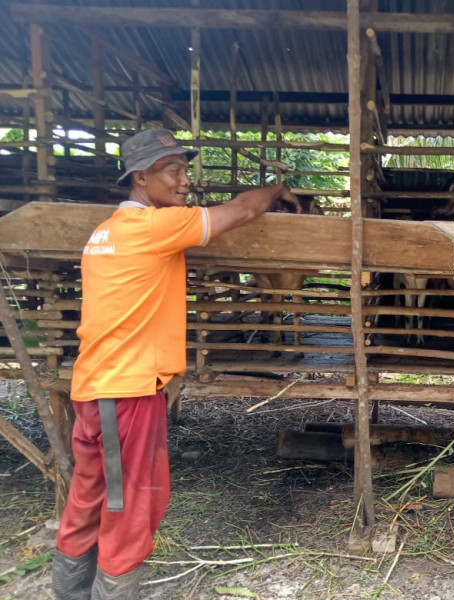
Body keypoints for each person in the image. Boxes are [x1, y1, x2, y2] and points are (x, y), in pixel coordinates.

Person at [52, 128, 299, 600]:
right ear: (141, 178)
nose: (185, 182)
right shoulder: (153, 227)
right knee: (130, 506)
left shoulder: (104, 232)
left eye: (185, 170)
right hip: (127, 392)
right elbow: (244, 210)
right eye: (173, 172)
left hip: (94, 388)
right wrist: (275, 190)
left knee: (88, 498)